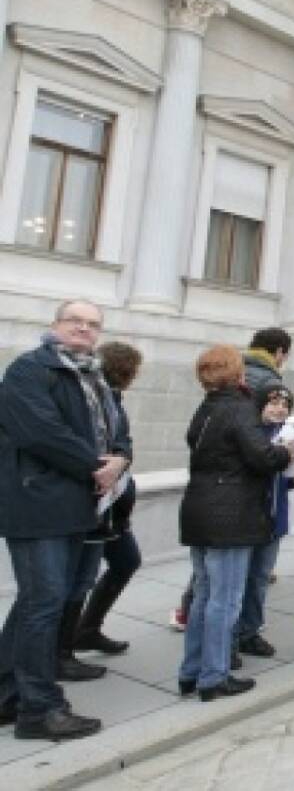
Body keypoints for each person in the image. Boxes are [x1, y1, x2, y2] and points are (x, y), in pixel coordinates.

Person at [0, 300, 128, 740]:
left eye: (93, 325)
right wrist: (97, 464)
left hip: (76, 506)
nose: (84, 329)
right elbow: (40, 431)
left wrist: (122, 458)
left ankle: (6, 694)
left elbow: (118, 429)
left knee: (37, 602)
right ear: (55, 325)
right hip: (37, 505)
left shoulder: (95, 377)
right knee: (43, 604)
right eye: (75, 321)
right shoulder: (29, 370)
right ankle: (40, 709)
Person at [178, 345, 294, 701]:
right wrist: (284, 451)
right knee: (225, 598)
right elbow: (260, 457)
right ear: (237, 373)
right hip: (229, 513)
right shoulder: (240, 408)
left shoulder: (207, 407)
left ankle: (191, 670)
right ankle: (214, 676)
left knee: (202, 595)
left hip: (198, 507)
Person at [72, 342, 144, 656]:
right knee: (79, 578)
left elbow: (122, 446)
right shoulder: (101, 400)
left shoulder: (111, 399)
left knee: (126, 561)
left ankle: (86, 630)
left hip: (113, 508)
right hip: (100, 507)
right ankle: (64, 647)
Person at [233, 384, 294, 658]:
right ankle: (231, 636)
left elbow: (285, 479)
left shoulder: (289, 435)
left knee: (260, 577)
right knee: (239, 579)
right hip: (249, 518)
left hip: (274, 517)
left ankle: (250, 631)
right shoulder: (251, 434)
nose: (279, 409)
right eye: (273, 403)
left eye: (284, 405)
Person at [243, 328, 291, 397]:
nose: (285, 360)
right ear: (279, 351)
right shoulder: (270, 382)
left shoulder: (233, 370)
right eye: (287, 355)